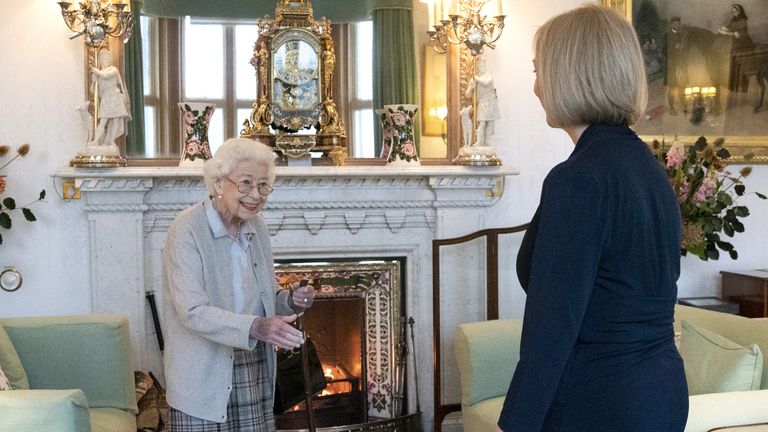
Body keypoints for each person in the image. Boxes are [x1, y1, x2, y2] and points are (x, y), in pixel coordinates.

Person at [499, 5, 687, 431]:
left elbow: (551, 330)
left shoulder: (578, 180)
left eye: (539, 70)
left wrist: (513, 424)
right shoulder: (650, 171)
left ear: (571, 73)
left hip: (599, 402)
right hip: (663, 394)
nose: (535, 87)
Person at [162, 138, 315, 431]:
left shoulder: (257, 227)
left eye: (263, 185)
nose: (255, 195)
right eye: (246, 183)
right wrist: (256, 327)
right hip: (203, 374)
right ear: (219, 183)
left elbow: (265, 296)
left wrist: (291, 300)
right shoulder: (186, 230)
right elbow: (192, 310)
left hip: (252, 366)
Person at [89, 49, 131, 146]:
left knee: (116, 120)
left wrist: (97, 72)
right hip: (105, 98)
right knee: (103, 120)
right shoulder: (98, 74)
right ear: (100, 60)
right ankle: (96, 141)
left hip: (115, 97)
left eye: (107, 59)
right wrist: (94, 81)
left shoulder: (113, 69)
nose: (105, 61)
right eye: (103, 59)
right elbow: (92, 90)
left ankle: (111, 140)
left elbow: (106, 76)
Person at [718, 4, 754, 93]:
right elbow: (730, 27)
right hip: (735, 43)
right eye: (732, 12)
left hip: (744, 42)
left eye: (735, 11)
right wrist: (724, 29)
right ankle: (734, 86)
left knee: (741, 61)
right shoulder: (733, 20)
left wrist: (726, 33)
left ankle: (743, 85)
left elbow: (738, 34)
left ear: (739, 11)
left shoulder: (743, 20)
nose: (733, 13)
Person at [464, 58, 500, 146]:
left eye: (484, 65)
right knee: (482, 122)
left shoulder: (488, 76)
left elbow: (487, 83)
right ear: (478, 67)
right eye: (481, 66)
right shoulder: (473, 80)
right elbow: (467, 95)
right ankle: (479, 142)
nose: (483, 67)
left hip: (491, 101)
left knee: (490, 124)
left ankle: (487, 141)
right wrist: (471, 88)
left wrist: (478, 80)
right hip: (482, 103)